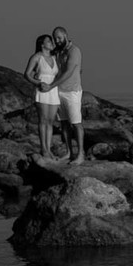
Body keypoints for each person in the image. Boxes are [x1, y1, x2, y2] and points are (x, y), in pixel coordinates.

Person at [41, 26, 85, 164]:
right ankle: (69, 152)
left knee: (76, 123)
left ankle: (80, 155)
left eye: (59, 38)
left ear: (66, 35)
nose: (57, 41)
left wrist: (51, 86)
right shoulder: (58, 52)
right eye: (55, 39)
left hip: (72, 92)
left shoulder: (74, 51)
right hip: (59, 91)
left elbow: (68, 72)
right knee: (64, 123)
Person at [24, 35, 60, 158]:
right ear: (42, 44)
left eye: (51, 41)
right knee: (43, 120)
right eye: (49, 41)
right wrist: (39, 83)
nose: (52, 43)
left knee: (50, 121)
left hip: (54, 90)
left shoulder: (55, 57)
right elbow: (27, 74)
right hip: (42, 90)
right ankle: (43, 149)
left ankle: (48, 149)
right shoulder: (36, 57)